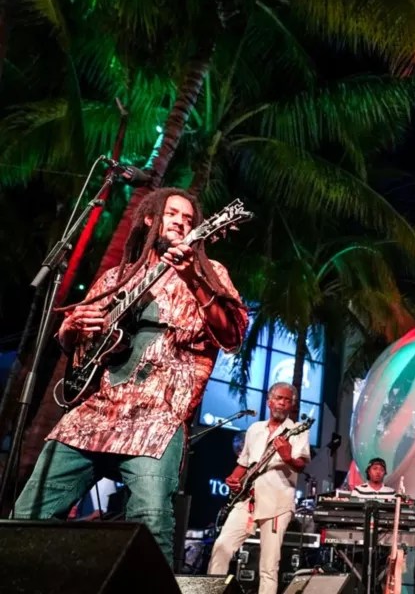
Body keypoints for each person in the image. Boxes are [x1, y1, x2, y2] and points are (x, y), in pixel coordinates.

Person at [13, 188, 247, 565]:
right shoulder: (115, 277)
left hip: (158, 417)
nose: (181, 222)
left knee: (151, 523)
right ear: (150, 219)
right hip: (95, 414)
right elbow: (76, 345)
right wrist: (70, 329)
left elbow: (232, 335)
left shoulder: (210, 272)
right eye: (172, 214)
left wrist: (192, 277)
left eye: (189, 219)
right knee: (29, 514)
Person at [208, 383, 311, 594]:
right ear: (269, 402)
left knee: (269, 566)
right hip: (248, 500)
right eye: (279, 398)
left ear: (292, 405)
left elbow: (300, 465)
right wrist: (233, 479)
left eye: (288, 400)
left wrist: (287, 456)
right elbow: (245, 463)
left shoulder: (297, 430)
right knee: (222, 547)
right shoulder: (255, 429)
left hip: (277, 503)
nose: (282, 403)